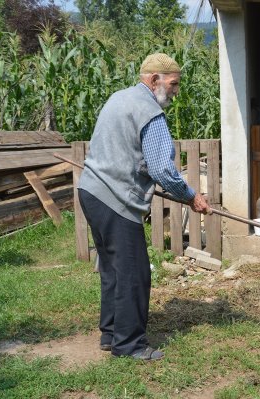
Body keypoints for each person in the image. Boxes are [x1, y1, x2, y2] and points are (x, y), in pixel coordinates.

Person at [78, 52, 210, 361]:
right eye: (173, 84)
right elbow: (163, 169)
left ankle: (111, 335)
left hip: (91, 191)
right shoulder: (150, 113)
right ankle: (129, 345)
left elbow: (127, 153)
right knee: (134, 272)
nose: (176, 92)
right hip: (115, 198)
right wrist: (191, 196)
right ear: (154, 80)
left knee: (112, 267)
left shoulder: (118, 99)